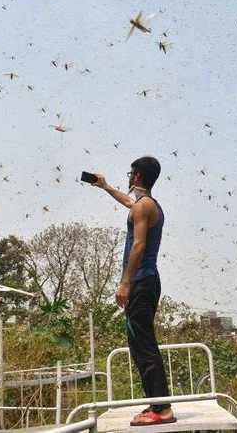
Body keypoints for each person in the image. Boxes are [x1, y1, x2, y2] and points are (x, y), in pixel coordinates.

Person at [92, 156, 176, 426]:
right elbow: (130, 203)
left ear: (137, 176)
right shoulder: (148, 205)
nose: (128, 177)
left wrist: (125, 283)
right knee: (140, 344)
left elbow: (138, 245)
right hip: (148, 281)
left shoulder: (143, 208)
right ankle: (157, 404)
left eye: (130, 173)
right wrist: (105, 187)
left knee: (143, 345)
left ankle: (162, 409)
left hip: (140, 281)